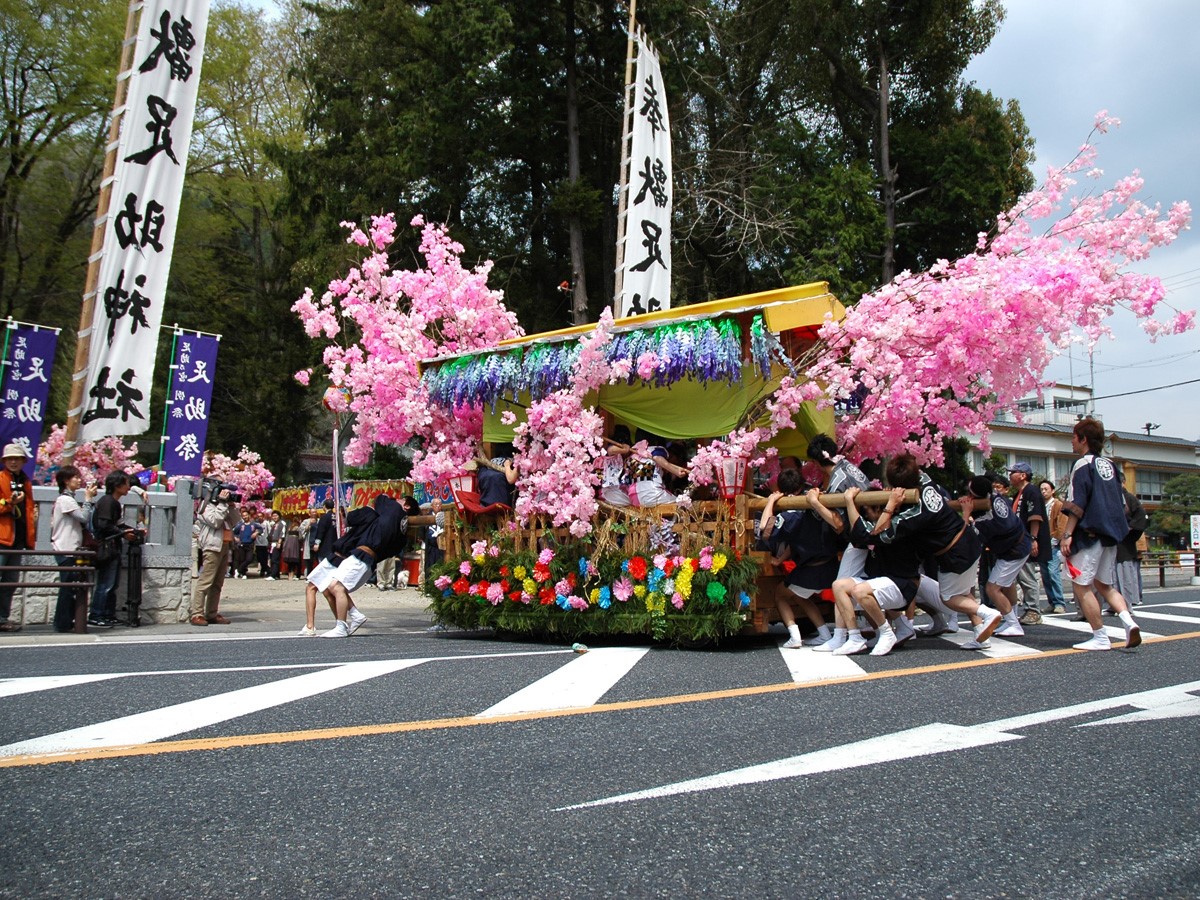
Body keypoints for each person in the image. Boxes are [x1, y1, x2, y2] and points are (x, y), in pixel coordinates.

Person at [873, 454, 1002, 651]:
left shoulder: (912, 513)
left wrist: (890, 504)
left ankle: (986, 612)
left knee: (949, 598)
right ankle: (980, 634)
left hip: (953, 553)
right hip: (969, 539)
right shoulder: (928, 483)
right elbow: (916, 472)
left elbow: (879, 532)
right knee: (964, 590)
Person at [1060, 417, 1142, 651]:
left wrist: (1067, 535)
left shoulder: (1082, 465)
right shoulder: (1110, 466)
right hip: (1110, 535)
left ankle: (1100, 636)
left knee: (1082, 586)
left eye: (1074, 438)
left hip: (1089, 534)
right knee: (1105, 585)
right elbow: (1121, 503)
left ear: (1083, 439)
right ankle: (1128, 621)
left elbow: (1078, 503)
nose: (1072, 443)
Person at [302, 494, 409, 638]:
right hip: (358, 554)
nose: (396, 501)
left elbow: (351, 518)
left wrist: (353, 512)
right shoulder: (389, 524)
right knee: (329, 589)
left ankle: (332, 624)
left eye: (401, 500)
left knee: (329, 587)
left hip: (350, 553)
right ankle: (344, 620)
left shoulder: (374, 513)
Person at [757, 469, 836, 648]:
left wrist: (770, 501)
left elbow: (764, 527)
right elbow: (795, 543)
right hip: (831, 567)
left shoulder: (790, 516)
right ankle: (824, 633)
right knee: (800, 596)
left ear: (782, 489)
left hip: (811, 571)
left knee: (780, 594)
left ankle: (794, 636)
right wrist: (780, 560)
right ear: (802, 486)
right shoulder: (818, 503)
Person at [965, 475, 1032, 637]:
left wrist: (966, 513)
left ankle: (1013, 624)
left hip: (1014, 551)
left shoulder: (986, 518)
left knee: (992, 588)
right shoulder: (996, 497)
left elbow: (971, 535)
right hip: (1020, 545)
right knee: (1007, 584)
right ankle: (1011, 618)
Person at [51, 466, 98, 632]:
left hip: (70, 547)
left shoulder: (68, 499)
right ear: (66, 481)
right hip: (65, 548)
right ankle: (62, 623)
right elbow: (83, 518)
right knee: (67, 587)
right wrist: (87, 499)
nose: (79, 480)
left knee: (69, 586)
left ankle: (65, 621)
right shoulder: (65, 500)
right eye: (75, 477)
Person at [189, 482, 240, 626]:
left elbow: (235, 521)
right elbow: (216, 521)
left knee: (217, 583)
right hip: (212, 547)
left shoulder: (223, 507)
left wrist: (230, 505)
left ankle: (211, 613)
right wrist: (222, 504)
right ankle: (197, 614)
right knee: (206, 581)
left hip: (224, 546)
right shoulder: (206, 507)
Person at [0, 442, 38, 633]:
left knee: (10, 581)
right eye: (10, 459)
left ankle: (2, 618)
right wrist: (9, 503)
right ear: (4, 461)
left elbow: (29, 511)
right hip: (2, 538)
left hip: (18, 539)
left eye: (17, 458)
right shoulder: (0, 479)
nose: (13, 462)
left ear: (23, 461)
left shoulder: (26, 481)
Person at [89, 471, 133, 627]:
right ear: (118, 485)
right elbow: (104, 525)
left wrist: (129, 531)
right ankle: (96, 614)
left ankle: (108, 614)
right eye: (127, 483)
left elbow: (117, 524)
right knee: (105, 584)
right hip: (106, 547)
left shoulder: (113, 502)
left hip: (112, 547)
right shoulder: (108, 502)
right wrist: (122, 533)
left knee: (112, 584)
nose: (129, 487)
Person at [1008, 462, 1048, 626]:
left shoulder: (1031, 491)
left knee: (1027, 576)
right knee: (1022, 576)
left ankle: (1033, 610)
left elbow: (1035, 516)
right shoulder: (1021, 493)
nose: (1010, 476)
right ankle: (1027, 609)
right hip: (1020, 540)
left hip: (1027, 540)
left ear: (1023, 475)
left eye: (1013, 472)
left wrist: (1033, 539)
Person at [1113, 487, 1147, 609]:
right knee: (1111, 577)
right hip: (1110, 541)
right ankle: (1114, 605)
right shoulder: (1106, 494)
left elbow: (1141, 516)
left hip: (1124, 543)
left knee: (1125, 575)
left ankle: (1126, 605)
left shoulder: (1129, 498)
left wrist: (1130, 527)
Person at [1039, 479, 1068, 614]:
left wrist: (1055, 539)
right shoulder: (1040, 505)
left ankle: (1059, 602)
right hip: (1042, 543)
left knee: (1052, 572)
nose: (1043, 491)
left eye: (1046, 489)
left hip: (1053, 543)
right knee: (1045, 574)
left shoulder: (1058, 505)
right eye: (1042, 489)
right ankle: (1052, 602)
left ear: (1053, 490)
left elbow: (1061, 525)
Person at [232, 509, 257, 579]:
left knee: (249, 559)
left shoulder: (253, 523)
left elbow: (260, 529)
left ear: (249, 515)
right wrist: (235, 537)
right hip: (241, 544)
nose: (245, 517)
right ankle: (243, 573)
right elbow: (233, 531)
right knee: (242, 559)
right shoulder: (239, 524)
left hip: (250, 544)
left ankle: (239, 570)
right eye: (243, 516)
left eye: (246, 515)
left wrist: (256, 533)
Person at [265, 510, 286, 579]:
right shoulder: (274, 524)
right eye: (273, 516)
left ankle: (273, 575)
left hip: (277, 542)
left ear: (279, 516)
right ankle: (276, 574)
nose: (274, 517)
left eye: (276, 516)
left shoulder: (282, 523)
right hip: (272, 543)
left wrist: (279, 542)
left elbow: (282, 533)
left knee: (275, 559)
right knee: (272, 558)